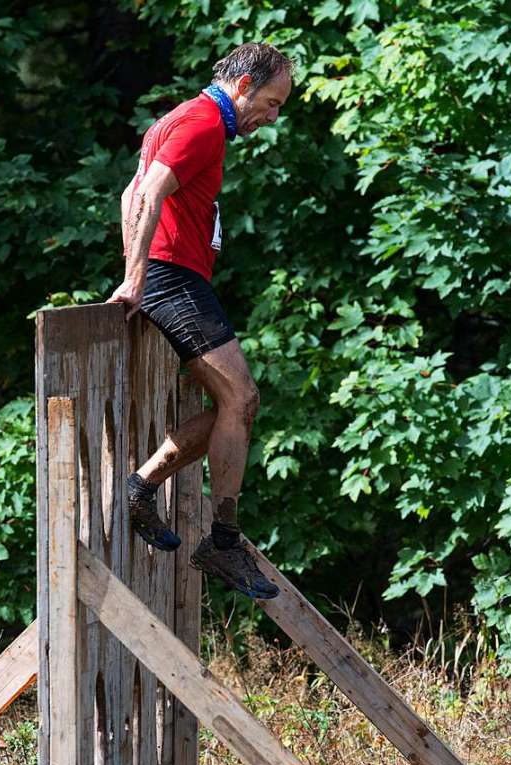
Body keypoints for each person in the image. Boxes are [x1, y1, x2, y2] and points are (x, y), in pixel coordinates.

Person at [107, 42, 292, 600]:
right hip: (173, 279)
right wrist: (138, 278)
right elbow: (149, 193)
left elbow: (128, 192)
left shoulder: (183, 117)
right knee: (243, 399)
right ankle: (223, 542)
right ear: (243, 86)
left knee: (229, 408)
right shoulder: (205, 123)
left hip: (173, 276)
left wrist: (134, 268)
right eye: (272, 102)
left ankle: (140, 488)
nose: (272, 116)